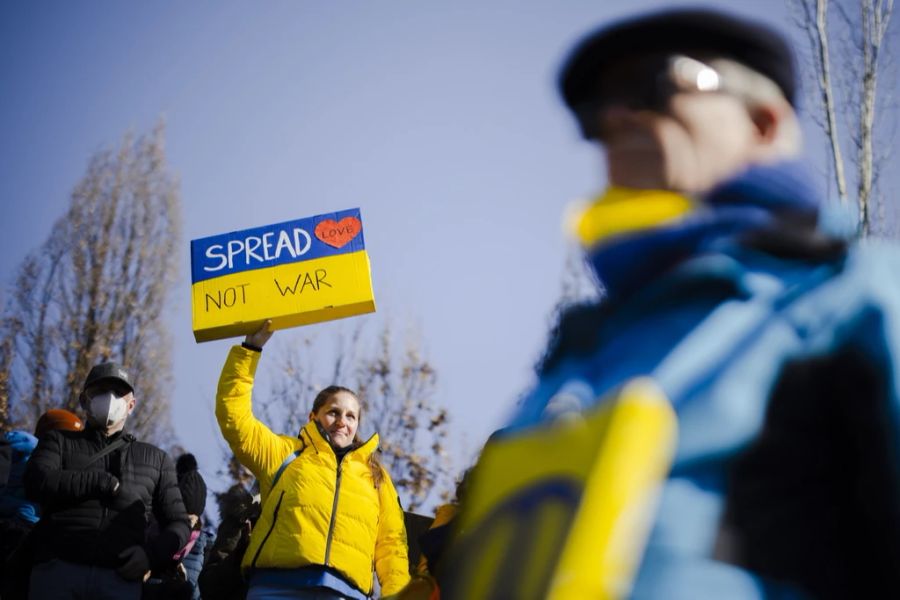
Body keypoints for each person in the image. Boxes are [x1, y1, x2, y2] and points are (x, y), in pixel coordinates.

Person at [447, 8, 900, 600]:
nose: (612, 118)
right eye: (594, 113)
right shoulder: (576, 353)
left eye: (649, 87)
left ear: (764, 123)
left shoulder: (856, 295)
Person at [216, 320, 411, 599]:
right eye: (333, 412)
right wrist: (250, 349)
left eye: (351, 416)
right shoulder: (286, 454)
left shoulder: (376, 478)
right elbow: (234, 419)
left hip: (346, 594)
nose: (342, 422)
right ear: (313, 417)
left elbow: (392, 547)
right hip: (274, 588)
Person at [24, 361, 191, 600]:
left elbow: (179, 524)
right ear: (84, 400)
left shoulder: (157, 459)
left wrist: (150, 555)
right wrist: (96, 482)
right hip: (56, 569)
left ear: (131, 405)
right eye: (100, 390)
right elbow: (35, 481)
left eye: (118, 392)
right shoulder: (58, 441)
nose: (110, 397)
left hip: (119, 580)